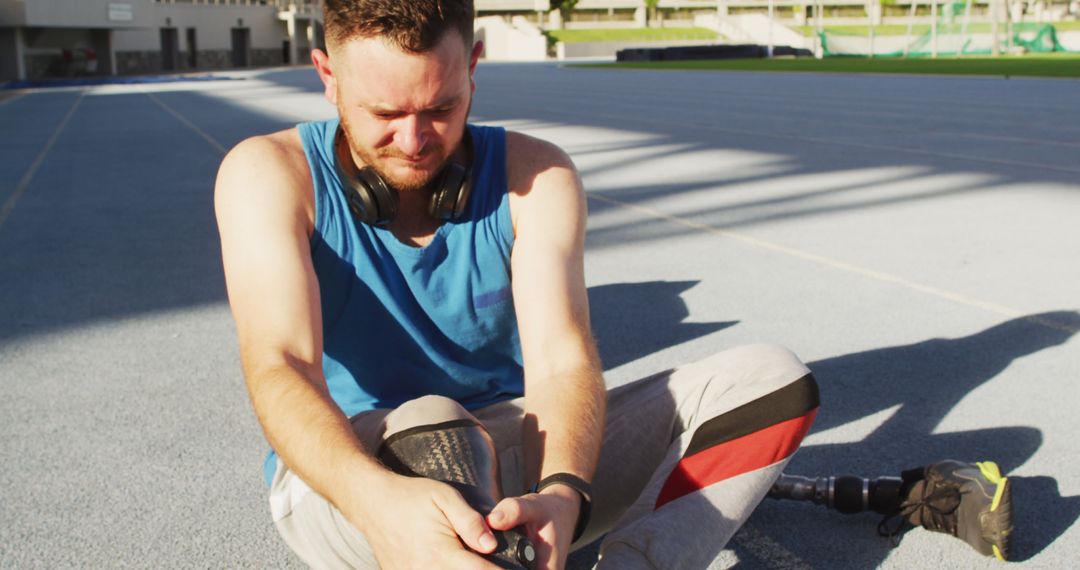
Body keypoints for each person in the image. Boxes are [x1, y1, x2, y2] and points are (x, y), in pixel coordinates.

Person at [214, 1, 1006, 568]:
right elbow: (281, 365)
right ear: (326, 77)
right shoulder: (269, 176)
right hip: (353, 484)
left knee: (773, 379)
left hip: (511, 457)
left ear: (475, 68)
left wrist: (562, 490)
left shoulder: (536, 175)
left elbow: (562, 360)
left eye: (442, 107)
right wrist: (376, 502)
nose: (417, 139)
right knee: (432, 420)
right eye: (385, 113)